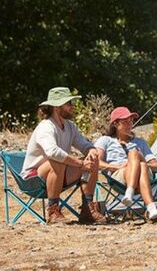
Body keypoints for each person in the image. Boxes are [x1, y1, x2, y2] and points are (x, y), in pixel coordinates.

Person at [21, 87, 107, 224]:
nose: (72, 107)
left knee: (93, 159)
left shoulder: (70, 126)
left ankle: (87, 209)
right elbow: (52, 152)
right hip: (33, 179)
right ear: (57, 107)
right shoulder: (46, 126)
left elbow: (84, 144)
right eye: (69, 104)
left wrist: (91, 150)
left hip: (58, 174)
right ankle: (53, 211)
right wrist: (80, 164)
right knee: (57, 160)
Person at [94, 106, 157, 221]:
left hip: (144, 175)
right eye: (125, 122)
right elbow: (97, 162)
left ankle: (129, 193)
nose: (130, 124)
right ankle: (151, 208)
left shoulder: (140, 142)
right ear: (115, 124)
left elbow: (156, 166)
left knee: (135, 155)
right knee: (139, 163)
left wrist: (140, 163)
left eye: (131, 121)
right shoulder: (106, 140)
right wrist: (118, 167)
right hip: (119, 176)